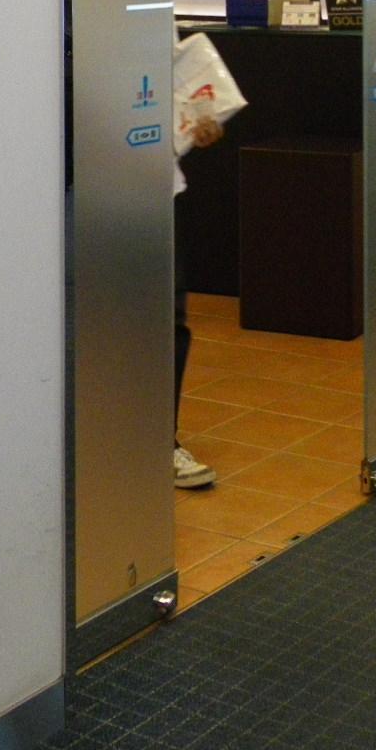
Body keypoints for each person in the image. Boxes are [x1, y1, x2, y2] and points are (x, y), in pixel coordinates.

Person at [173, 104, 224, 488]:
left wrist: (201, 121)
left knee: (170, 323)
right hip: (91, 193)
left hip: (160, 192)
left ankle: (161, 441)